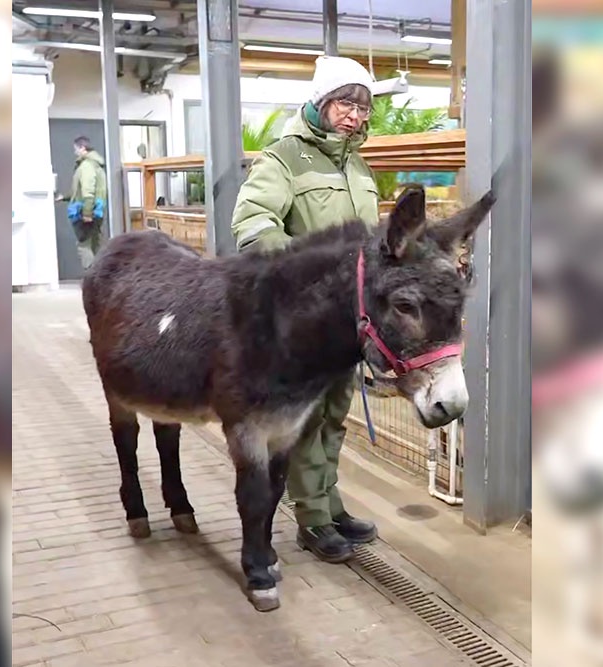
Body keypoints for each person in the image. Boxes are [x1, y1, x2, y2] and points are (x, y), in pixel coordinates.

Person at [231, 55, 380, 564]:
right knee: (306, 421)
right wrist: (310, 273)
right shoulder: (283, 158)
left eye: (363, 107)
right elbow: (251, 224)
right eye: (345, 103)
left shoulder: (356, 164)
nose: (355, 117)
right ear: (320, 103)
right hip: (302, 319)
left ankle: (331, 504)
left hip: (348, 321)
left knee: (336, 414)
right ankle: (312, 519)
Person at [62, 136, 107, 269]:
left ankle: (91, 277)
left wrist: (87, 213)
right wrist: (65, 197)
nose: (75, 152)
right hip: (96, 211)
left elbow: (88, 191)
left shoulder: (87, 166)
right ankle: (101, 278)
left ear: (82, 148)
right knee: (95, 245)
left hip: (86, 211)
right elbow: (81, 190)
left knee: (84, 245)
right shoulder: (97, 165)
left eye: (76, 149)